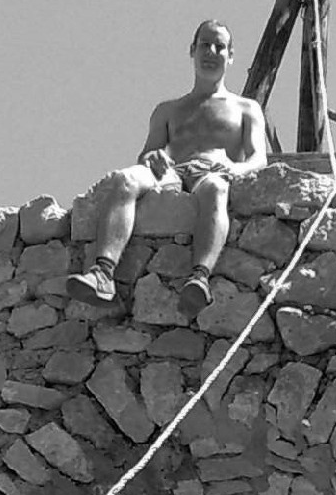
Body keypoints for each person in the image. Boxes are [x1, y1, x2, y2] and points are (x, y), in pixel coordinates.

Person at [67, 20, 268, 316]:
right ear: (192, 50)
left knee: (216, 188)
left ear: (231, 56)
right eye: (205, 45)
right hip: (172, 171)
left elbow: (259, 158)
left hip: (213, 172)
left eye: (220, 47)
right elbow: (147, 152)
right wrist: (152, 157)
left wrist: (233, 169)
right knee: (124, 179)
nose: (212, 52)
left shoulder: (246, 108)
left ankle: (199, 277)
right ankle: (103, 273)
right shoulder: (168, 110)